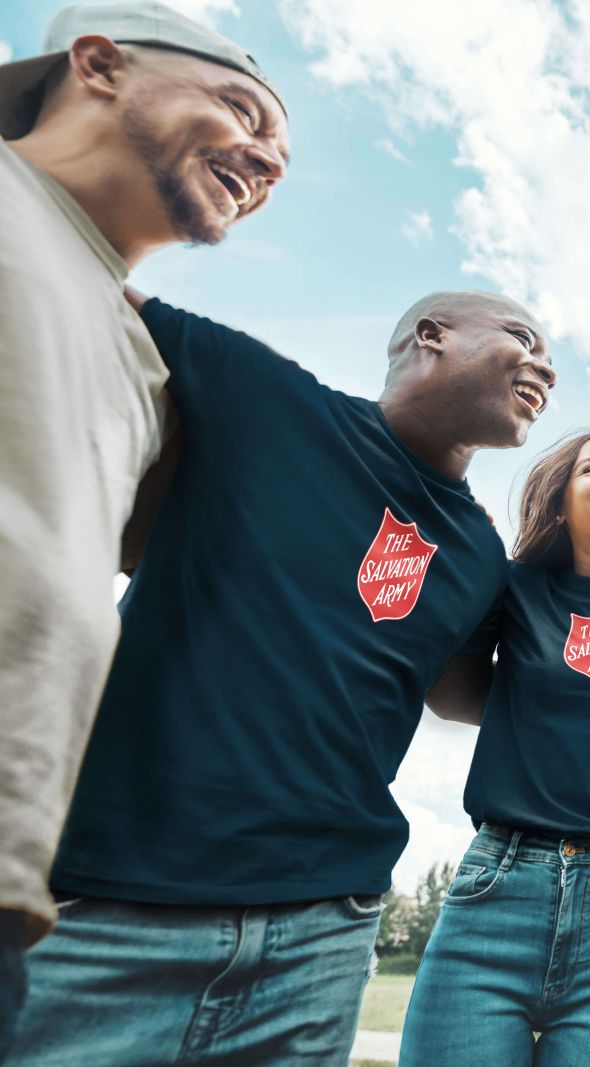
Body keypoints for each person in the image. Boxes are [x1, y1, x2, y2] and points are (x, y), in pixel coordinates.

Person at [5, 289, 553, 1066]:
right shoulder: (263, 397)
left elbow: (467, 694)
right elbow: (72, 276)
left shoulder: (479, 556)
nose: (547, 367)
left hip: (322, 933)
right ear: (432, 335)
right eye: (523, 339)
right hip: (108, 903)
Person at [0, 3, 288, 1043]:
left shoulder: (141, 363)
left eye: (281, 155)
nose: (266, 161)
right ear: (99, 64)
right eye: (242, 109)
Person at [397, 431, 590, 1066]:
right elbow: (452, 696)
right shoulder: (513, 589)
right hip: (499, 883)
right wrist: (530, 718)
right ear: (558, 502)